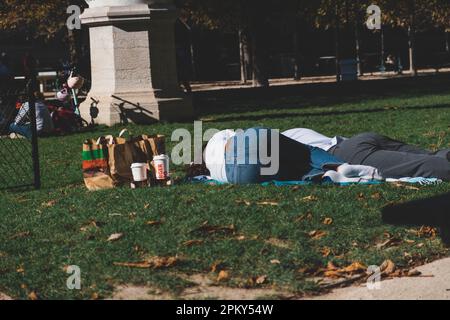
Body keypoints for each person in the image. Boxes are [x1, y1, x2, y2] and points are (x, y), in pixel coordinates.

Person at [196, 128, 382, 185]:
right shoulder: (215, 138)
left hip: (240, 176)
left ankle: (324, 177)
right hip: (248, 142)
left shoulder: (214, 173)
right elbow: (240, 134)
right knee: (305, 152)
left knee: (289, 173)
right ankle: (339, 166)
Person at [282, 128, 450, 181]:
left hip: (346, 155)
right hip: (355, 140)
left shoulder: (274, 151)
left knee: (424, 165)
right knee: (434, 154)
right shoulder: (289, 132)